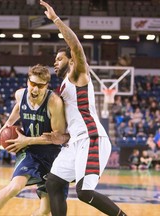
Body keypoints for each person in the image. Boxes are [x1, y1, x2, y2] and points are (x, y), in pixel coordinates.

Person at [40, 1, 127, 215]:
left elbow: (76, 47)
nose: (55, 62)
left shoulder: (78, 75)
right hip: (75, 142)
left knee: (84, 192)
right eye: (54, 60)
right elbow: (73, 123)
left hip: (92, 138)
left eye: (59, 59)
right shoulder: (62, 86)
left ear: (71, 61)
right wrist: (61, 138)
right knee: (52, 182)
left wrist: (56, 20)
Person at [0, 64, 69, 216]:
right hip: (30, 153)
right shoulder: (20, 95)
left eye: (40, 86)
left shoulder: (53, 102)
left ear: (46, 86)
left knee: (44, 211)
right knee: (15, 186)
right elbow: (18, 108)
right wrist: (8, 123)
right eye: (32, 84)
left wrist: (26, 140)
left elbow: (57, 138)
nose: (35, 89)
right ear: (28, 81)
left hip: (52, 154)